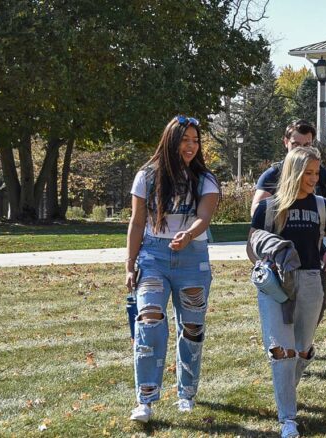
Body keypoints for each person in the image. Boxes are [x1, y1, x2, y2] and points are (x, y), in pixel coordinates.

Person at [249, 146, 326, 438]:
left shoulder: (323, 207)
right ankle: (288, 420)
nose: (313, 179)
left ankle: (285, 392)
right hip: (277, 283)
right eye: (307, 173)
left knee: (302, 349)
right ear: (293, 172)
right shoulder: (268, 207)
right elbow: (251, 245)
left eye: (316, 173)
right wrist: (269, 256)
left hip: (310, 279)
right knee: (282, 351)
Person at [125, 115, 221, 423]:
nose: (191, 146)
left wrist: (189, 234)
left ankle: (186, 393)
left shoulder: (205, 178)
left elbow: (203, 217)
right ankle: (145, 399)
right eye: (185, 140)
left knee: (192, 329)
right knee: (149, 320)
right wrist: (130, 265)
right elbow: (137, 222)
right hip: (152, 257)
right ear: (171, 140)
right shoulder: (146, 176)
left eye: (195, 141)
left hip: (193, 258)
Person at [251, 120, 326, 321]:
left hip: (313, 253)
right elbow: (256, 211)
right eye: (296, 144)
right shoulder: (273, 174)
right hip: (278, 256)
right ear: (285, 143)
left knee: (319, 303)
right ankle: (287, 344)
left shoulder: (322, 174)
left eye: (307, 145)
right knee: (281, 303)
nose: (301, 149)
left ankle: (303, 344)